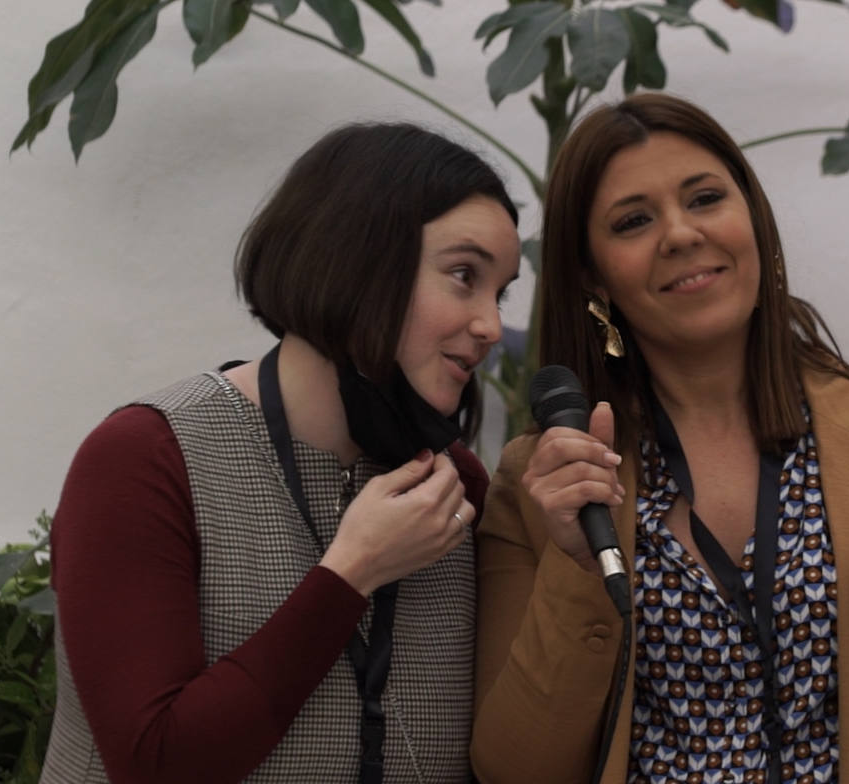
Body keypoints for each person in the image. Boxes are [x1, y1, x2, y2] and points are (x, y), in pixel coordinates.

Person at [470, 93, 849, 783]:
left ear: (754, 220)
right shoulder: (542, 483)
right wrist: (575, 565)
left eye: (704, 199)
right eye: (634, 221)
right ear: (593, 277)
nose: (680, 233)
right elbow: (513, 769)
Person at [40, 123, 520, 783]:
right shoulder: (146, 457)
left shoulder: (456, 483)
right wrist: (350, 575)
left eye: (501, 291)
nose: (491, 325)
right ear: (355, 259)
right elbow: (157, 764)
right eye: (464, 276)